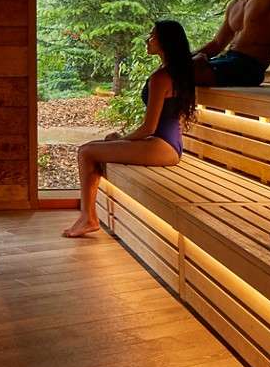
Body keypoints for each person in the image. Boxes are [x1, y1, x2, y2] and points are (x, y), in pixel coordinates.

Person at [63, 20, 196, 238]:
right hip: (166, 144)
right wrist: (119, 139)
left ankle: (88, 218)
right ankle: (88, 217)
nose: (148, 40)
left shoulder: (161, 78)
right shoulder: (175, 72)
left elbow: (148, 127)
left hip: (161, 146)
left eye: (152, 36)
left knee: (86, 152)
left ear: (164, 42)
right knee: (103, 141)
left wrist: (124, 138)